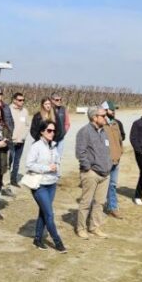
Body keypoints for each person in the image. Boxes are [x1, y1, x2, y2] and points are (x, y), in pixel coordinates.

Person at [26, 120, 66, 253]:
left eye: (54, 131)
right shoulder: (36, 146)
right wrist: (47, 168)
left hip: (51, 184)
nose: (52, 133)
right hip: (39, 185)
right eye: (49, 130)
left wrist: (57, 173)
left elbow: (57, 162)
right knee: (49, 214)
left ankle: (37, 238)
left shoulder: (54, 146)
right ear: (42, 131)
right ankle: (58, 242)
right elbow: (29, 164)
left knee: (44, 212)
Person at [75, 106, 112, 239]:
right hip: (91, 173)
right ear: (94, 117)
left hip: (105, 174)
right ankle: (81, 228)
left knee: (100, 203)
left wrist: (109, 165)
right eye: (102, 115)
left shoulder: (103, 132)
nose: (105, 117)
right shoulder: (84, 132)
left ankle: (94, 227)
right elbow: (80, 152)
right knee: (86, 202)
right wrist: (88, 168)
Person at [102, 100, 124, 219]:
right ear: (105, 110)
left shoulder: (115, 124)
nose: (114, 112)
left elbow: (120, 140)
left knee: (113, 184)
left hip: (116, 160)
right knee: (105, 185)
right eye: (112, 110)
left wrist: (120, 152)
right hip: (106, 161)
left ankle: (112, 206)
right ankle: (110, 207)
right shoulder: (101, 125)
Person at [9, 92, 30, 187]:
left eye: (23, 100)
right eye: (20, 100)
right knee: (8, 161)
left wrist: (23, 137)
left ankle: (13, 180)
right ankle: (3, 180)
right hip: (11, 140)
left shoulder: (25, 111)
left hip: (21, 140)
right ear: (14, 100)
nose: (22, 102)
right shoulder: (8, 110)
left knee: (17, 161)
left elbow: (27, 126)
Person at [50, 92, 70, 158]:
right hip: (51, 138)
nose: (59, 101)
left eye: (60, 99)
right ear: (52, 100)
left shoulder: (63, 109)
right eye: (57, 100)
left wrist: (63, 132)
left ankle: (57, 168)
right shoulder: (48, 109)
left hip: (61, 138)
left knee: (58, 158)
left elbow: (67, 123)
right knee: (50, 157)